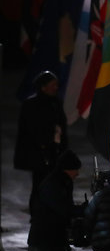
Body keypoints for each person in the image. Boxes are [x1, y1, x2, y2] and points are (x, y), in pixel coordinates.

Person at [14, 71, 68, 208]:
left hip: (55, 152)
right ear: (43, 87)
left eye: (57, 85)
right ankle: (37, 215)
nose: (56, 88)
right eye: (52, 85)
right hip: (39, 154)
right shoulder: (31, 105)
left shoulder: (56, 103)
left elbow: (62, 127)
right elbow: (30, 130)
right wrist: (44, 145)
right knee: (39, 185)